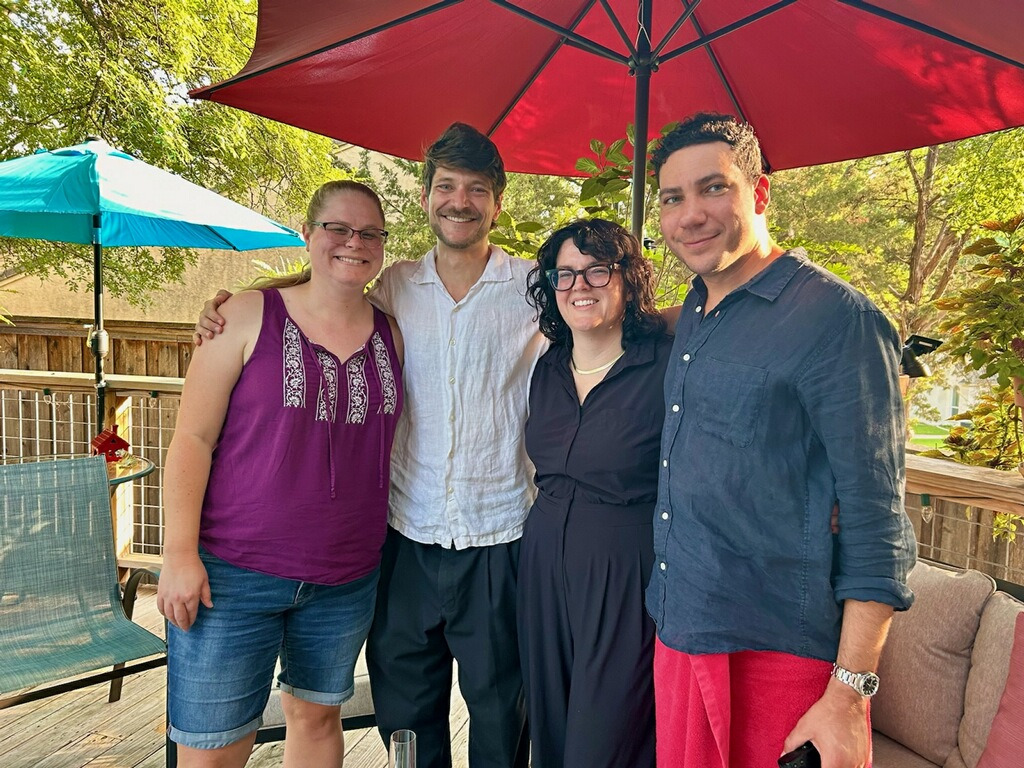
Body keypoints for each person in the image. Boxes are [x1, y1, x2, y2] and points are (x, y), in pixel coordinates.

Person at [194, 124, 543, 768]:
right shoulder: (395, 286)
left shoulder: (535, 289)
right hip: (404, 537)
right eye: (445, 186)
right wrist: (241, 300)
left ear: (498, 201)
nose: (459, 201)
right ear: (424, 197)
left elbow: (610, 315)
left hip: (501, 536)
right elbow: (323, 287)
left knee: (501, 708)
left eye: (476, 189)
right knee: (406, 707)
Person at [646, 112, 917, 768]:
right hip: (679, 628)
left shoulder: (839, 321)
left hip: (776, 657)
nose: (690, 215)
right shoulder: (695, 313)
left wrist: (849, 695)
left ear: (760, 193)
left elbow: (878, 525)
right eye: (673, 198)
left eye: (714, 189)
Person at [159, 180, 404, 768]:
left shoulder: (392, 333)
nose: (354, 242)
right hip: (232, 572)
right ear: (308, 234)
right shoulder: (244, 316)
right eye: (338, 228)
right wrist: (178, 553)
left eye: (370, 233)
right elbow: (191, 438)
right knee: (214, 745)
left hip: (346, 574)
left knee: (318, 718)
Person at [519, 218, 669, 767]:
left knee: (605, 737)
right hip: (540, 567)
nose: (580, 286)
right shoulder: (548, 367)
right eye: (566, 274)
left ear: (627, 279)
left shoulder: (665, 363)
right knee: (551, 730)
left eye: (597, 271)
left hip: (624, 569)